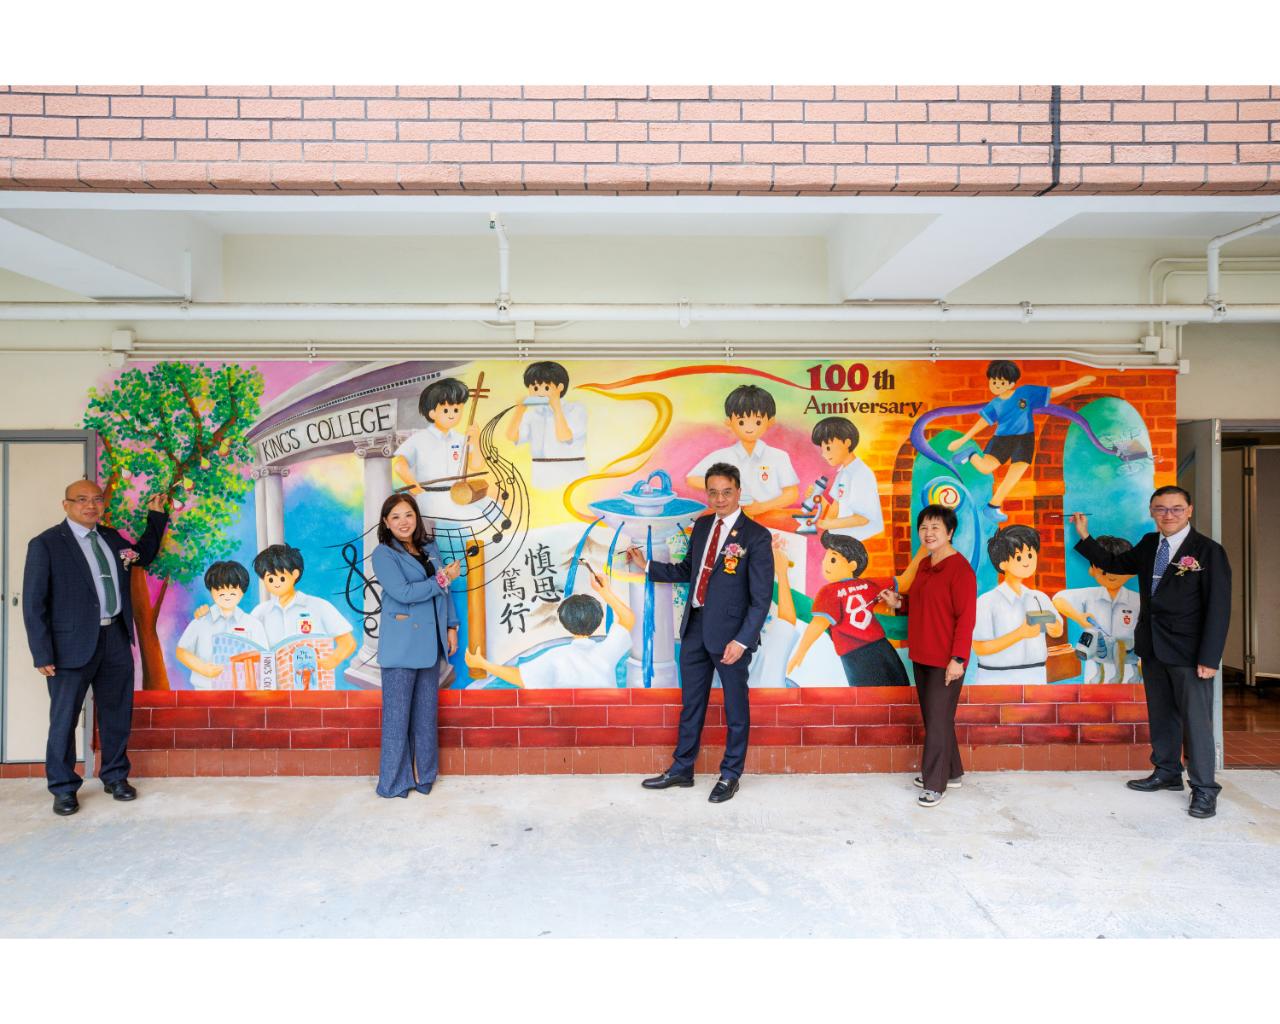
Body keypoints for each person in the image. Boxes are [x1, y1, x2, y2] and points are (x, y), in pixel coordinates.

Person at [1070, 486, 1231, 819]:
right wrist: (1085, 535)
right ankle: (1167, 771)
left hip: (1190, 652)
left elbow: (1219, 608)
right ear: (1152, 511)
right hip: (1153, 646)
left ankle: (1204, 789)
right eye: (1160, 509)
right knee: (1162, 713)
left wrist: (1210, 657)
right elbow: (1113, 563)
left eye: (1176, 509)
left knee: (1196, 722)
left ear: (1189, 510)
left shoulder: (1208, 551)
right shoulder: (1149, 543)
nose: (1168, 515)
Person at [21, 480, 170, 816]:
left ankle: (115, 777)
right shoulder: (46, 544)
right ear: (66, 505)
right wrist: (41, 652)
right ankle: (63, 788)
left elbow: (142, 555)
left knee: (117, 713)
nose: (90, 505)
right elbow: (33, 603)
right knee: (64, 719)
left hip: (114, 637)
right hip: (68, 647)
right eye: (81, 499)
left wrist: (156, 517)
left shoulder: (111, 538)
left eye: (96, 499)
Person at [626, 463, 772, 803]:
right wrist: (647, 565)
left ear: (738, 492)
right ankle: (682, 768)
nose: (720, 499)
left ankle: (731, 774)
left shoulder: (755, 536)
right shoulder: (703, 526)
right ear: (707, 493)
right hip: (694, 628)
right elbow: (688, 570)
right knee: (691, 704)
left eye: (726, 492)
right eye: (713, 492)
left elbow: (761, 598)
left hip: (731, 636)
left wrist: (742, 640)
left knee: (736, 708)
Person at [880, 504, 977, 808]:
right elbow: (923, 602)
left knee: (937, 721)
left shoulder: (960, 570)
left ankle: (935, 784)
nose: (928, 533)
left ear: (950, 532)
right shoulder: (925, 565)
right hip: (921, 653)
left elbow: (966, 618)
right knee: (937, 718)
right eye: (924, 527)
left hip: (946, 659)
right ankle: (952, 772)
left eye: (936, 527)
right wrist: (899, 602)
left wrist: (958, 659)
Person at [371, 493, 461, 799]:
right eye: (395, 517)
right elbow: (404, 592)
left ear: (416, 517)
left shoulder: (430, 548)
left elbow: (446, 593)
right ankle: (393, 783)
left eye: (408, 514)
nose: (403, 522)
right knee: (397, 718)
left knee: (425, 716)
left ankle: (424, 776)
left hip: (431, 642)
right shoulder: (383, 554)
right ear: (386, 522)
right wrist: (442, 579)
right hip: (401, 644)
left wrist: (451, 626)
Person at [946, 360, 1095, 522]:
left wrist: (1076, 384)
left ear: (1011, 383)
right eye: (993, 382)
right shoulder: (995, 404)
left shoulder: (1025, 392)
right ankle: (971, 454)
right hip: (1002, 439)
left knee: (1014, 475)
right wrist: (963, 439)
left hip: (1025, 439)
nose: (997, 385)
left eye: (1001, 382)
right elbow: (982, 422)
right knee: (985, 468)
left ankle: (993, 506)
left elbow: (1052, 392)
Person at [464, 567, 633, 688]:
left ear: (565, 622)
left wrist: (483, 664)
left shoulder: (556, 656)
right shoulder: (605, 651)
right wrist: (605, 592)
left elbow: (521, 678)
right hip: (605, 721)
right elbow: (627, 618)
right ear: (598, 619)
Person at [786, 532, 909, 686]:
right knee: (898, 688)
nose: (825, 564)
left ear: (852, 565)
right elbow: (905, 581)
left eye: (833, 559)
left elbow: (818, 624)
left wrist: (800, 651)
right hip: (880, 648)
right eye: (825, 559)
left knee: (875, 695)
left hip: (858, 655)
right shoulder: (868, 584)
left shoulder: (829, 591)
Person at [687, 384, 800, 527]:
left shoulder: (778, 456)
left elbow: (792, 493)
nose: (749, 428)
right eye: (741, 422)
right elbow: (692, 479)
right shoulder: (722, 455)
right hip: (732, 519)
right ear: (729, 422)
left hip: (770, 519)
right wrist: (726, 488)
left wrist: (762, 507)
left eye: (758, 422)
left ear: (770, 422)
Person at [972, 524, 1064, 685]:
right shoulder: (986, 602)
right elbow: (979, 647)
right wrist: (1020, 634)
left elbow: (1058, 631)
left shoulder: (1039, 598)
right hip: (995, 678)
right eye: (1019, 557)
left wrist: (1053, 626)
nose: (1027, 561)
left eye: (1030, 554)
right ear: (1002, 564)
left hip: (1036, 675)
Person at [248, 544, 358, 676]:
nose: (276, 583)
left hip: (312, 682)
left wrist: (331, 660)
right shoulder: (260, 612)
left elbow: (348, 642)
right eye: (270, 579)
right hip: (272, 683)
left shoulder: (319, 606)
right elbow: (247, 647)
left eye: (282, 578)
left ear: (295, 574)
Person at [1052, 535, 1141, 684]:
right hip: (1096, 669)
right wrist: (1079, 618)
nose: (1111, 575)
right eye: (1104, 570)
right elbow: (1058, 599)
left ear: (1131, 572)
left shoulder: (1138, 600)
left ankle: (1121, 674)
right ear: (1092, 570)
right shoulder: (1089, 595)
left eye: (1118, 570)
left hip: (1129, 668)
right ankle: (1100, 672)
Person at [175, 561, 268, 689]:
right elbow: (182, 651)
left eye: (233, 593)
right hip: (205, 692)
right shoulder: (201, 621)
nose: (227, 597)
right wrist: (203, 668)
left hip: (244, 694)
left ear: (242, 592)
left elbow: (265, 659)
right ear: (211, 591)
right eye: (221, 593)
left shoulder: (253, 624)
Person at [503, 360, 589, 490]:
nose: (540, 393)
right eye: (535, 388)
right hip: (542, 474)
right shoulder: (533, 414)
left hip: (572, 472)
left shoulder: (575, 409)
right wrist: (519, 411)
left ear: (560, 387)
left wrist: (556, 408)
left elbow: (564, 437)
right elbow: (512, 436)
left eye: (546, 388)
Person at [809, 416, 885, 542]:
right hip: (845, 535)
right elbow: (835, 508)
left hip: (862, 540)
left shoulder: (861, 474)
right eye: (822, 449)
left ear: (847, 443)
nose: (824, 454)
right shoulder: (843, 473)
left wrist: (829, 524)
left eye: (828, 448)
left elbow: (862, 518)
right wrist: (820, 500)